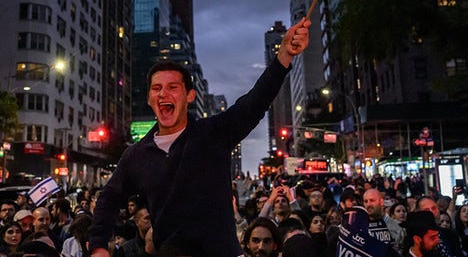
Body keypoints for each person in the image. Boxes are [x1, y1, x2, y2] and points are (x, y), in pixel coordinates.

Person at [88, 19, 310, 256]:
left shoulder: (213, 134)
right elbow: (109, 198)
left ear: (190, 96)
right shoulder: (136, 156)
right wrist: (98, 246)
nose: (163, 93)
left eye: (173, 87)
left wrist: (284, 56)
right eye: (156, 88)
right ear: (150, 99)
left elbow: (254, 103)